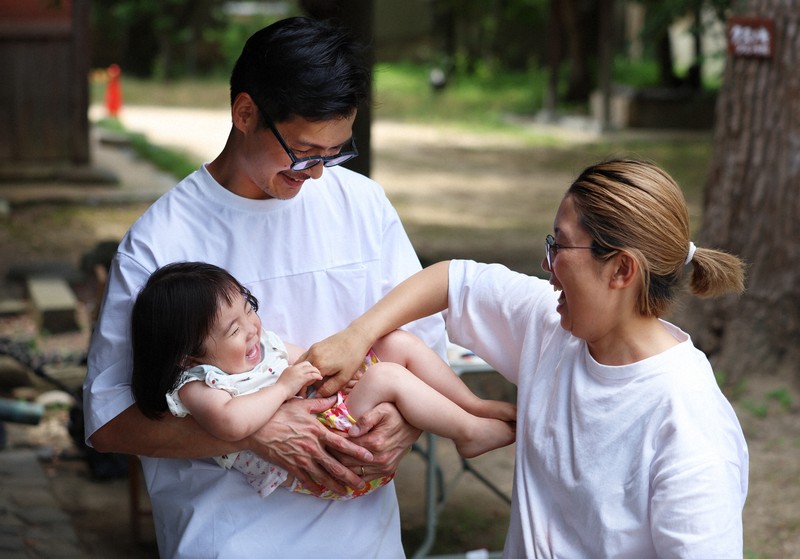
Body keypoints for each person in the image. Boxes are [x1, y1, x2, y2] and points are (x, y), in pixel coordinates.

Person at [83, 17, 448, 558]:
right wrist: (254, 432)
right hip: (229, 539)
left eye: (335, 152)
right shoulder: (162, 240)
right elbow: (111, 422)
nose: (317, 173)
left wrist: (404, 423)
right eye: (303, 151)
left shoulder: (362, 204)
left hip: (365, 539)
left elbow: (423, 342)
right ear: (245, 113)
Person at [304, 159, 750, 558]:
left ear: (621, 269)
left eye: (561, 247)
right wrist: (356, 336)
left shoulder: (690, 425)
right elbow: (451, 282)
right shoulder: (553, 328)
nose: (546, 263)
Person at [131, 262, 515, 499]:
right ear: (188, 355)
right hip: (325, 461)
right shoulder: (200, 384)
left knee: (395, 343)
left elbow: (307, 365)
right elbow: (230, 424)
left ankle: (472, 405)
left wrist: (343, 377)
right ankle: (469, 433)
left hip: (330, 423)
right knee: (386, 376)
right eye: (234, 329)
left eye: (249, 309)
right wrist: (284, 387)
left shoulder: (262, 345)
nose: (252, 328)